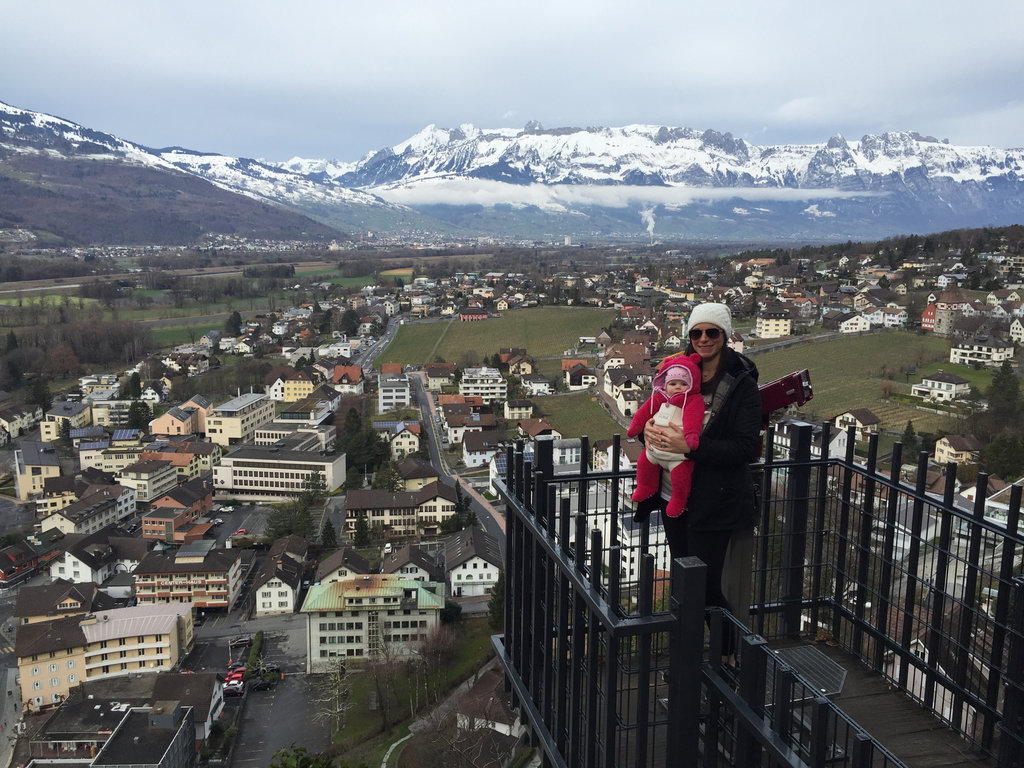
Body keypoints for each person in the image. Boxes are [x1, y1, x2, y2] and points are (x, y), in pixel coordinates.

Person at [640, 302, 761, 663]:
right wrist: (646, 430)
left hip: (715, 501)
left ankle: (731, 654)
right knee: (684, 579)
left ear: (724, 336)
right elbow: (655, 412)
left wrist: (691, 449)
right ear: (689, 336)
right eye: (697, 332)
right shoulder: (677, 372)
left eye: (712, 332)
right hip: (671, 494)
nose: (704, 339)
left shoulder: (740, 384)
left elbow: (742, 448)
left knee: (703, 584)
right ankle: (699, 655)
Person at [627, 352, 704, 517]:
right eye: (673, 383)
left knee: (681, 479)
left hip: (677, 458)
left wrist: (690, 439)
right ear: (665, 384)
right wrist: (637, 428)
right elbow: (643, 413)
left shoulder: (692, 400)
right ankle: (646, 487)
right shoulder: (660, 397)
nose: (677, 387)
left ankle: (679, 500)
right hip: (654, 452)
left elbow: (693, 420)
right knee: (643, 464)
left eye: (683, 383)